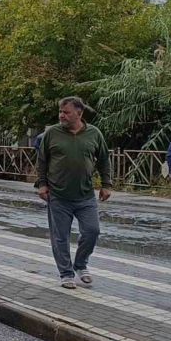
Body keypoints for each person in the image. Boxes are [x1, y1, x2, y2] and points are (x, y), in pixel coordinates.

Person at [37, 96, 112, 289]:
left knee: (92, 231)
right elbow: (42, 160)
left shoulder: (94, 134)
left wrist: (106, 184)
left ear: (79, 113)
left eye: (66, 112)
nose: (61, 115)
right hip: (58, 196)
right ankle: (66, 273)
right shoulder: (52, 133)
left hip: (85, 195)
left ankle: (80, 264)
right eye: (60, 112)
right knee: (60, 236)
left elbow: (103, 159)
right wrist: (42, 184)